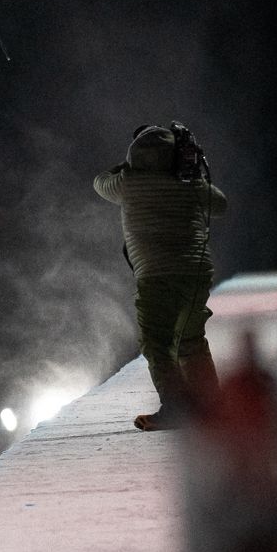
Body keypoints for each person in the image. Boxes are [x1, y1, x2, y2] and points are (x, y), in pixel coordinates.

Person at [94, 122, 229, 431]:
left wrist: (124, 168)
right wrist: (193, 177)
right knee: (191, 339)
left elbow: (99, 182)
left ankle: (176, 408)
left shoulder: (127, 183)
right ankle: (213, 406)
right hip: (196, 271)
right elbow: (221, 205)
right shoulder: (190, 184)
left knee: (157, 342)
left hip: (155, 274)